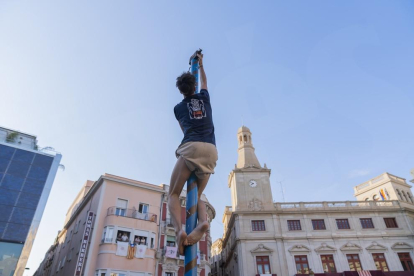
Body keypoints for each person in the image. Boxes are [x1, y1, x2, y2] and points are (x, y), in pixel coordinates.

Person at [168, 53, 218, 255]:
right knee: (197, 194)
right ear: (194, 84)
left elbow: (184, 130)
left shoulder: (178, 108)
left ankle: (180, 230)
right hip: (211, 150)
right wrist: (202, 65)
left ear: (180, 90)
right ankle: (203, 222)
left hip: (192, 147)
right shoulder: (204, 97)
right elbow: (204, 81)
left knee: (172, 193)